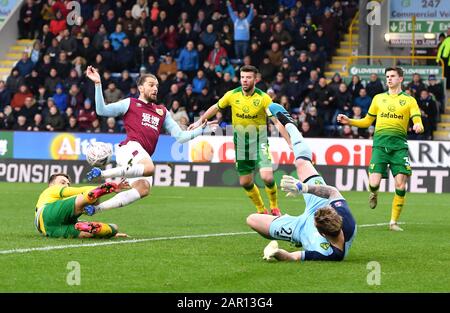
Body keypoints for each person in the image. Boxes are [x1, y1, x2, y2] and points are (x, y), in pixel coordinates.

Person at [84, 66, 214, 215]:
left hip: (139, 157)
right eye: (151, 85)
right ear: (140, 88)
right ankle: (102, 174)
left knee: (144, 189)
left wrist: (202, 130)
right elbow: (102, 110)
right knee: (150, 168)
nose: (155, 88)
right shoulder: (130, 103)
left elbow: (181, 137)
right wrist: (98, 83)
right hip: (129, 148)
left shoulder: (162, 112)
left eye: (157, 86)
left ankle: (96, 209)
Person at [247, 103, 357, 262]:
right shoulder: (347, 221)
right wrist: (304, 187)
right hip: (320, 204)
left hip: (301, 229)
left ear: (321, 234)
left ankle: (294, 237)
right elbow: (332, 192)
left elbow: (292, 256)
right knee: (302, 163)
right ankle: (291, 126)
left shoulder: (328, 254)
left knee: (252, 220)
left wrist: (275, 252)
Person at [188, 65, 290, 216]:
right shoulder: (232, 95)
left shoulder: (263, 98)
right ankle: (261, 209)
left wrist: (289, 141)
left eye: (248, 77)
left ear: (255, 79)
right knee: (245, 182)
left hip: (259, 139)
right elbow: (215, 107)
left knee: (267, 177)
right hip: (241, 142)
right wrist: (199, 121)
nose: (245, 80)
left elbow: (276, 122)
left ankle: (274, 207)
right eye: (242, 77)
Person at [337, 67, 424, 231]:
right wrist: (350, 121)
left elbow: (416, 118)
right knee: (373, 183)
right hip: (379, 146)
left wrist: (418, 125)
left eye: (392, 76)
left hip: (399, 147)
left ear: (400, 79)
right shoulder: (378, 98)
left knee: (400, 184)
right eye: (387, 76)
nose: (389, 79)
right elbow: (367, 121)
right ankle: (374, 193)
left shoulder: (409, 100)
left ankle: (393, 222)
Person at [34, 173, 128, 238]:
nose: (66, 185)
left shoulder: (64, 202)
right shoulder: (51, 190)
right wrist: (103, 188)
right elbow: (79, 190)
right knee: (82, 198)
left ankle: (107, 230)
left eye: (68, 184)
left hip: (51, 230)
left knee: (112, 227)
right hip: (47, 213)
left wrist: (112, 233)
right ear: (51, 185)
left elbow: (94, 202)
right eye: (62, 183)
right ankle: (100, 191)